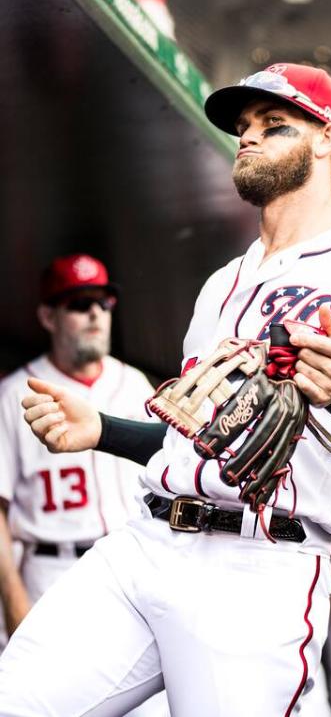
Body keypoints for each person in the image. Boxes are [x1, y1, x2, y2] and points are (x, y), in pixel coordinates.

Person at [0, 63, 331, 717]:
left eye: (274, 125)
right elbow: (200, 438)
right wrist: (101, 429)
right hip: (148, 541)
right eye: (243, 128)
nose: (248, 138)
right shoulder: (223, 284)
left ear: (329, 139)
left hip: (259, 563)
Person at [0, 253, 166, 717]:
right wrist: (14, 604)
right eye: (78, 302)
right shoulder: (15, 393)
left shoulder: (135, 385)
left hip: (131, 569)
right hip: (51, 572)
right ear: (48, 316)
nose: (94, 312)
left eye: (103, 300)